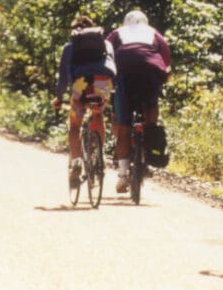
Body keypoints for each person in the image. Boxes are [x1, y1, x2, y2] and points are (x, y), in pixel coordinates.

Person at [106, 10, 172, 193]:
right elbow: (166, 59)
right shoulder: (154, 34)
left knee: (124, 128)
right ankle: (150, 127)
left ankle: (122, 176)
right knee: (151, 105)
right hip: (149, 74)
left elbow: (105, 53)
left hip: (124, 75)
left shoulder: (117, 33)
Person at [51, 15, 117, 189]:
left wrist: (59, 96)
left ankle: (77, 161)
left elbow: (64, 77)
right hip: (102, 80)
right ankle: (99, 156)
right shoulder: (106, 43)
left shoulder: (70, 46)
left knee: (75, 125)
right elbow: (111, 65)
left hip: (81, 83)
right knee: (98, 113)